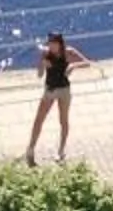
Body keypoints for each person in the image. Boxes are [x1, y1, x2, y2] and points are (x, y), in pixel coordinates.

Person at [25, 31, 92, 162]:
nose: (51, 46)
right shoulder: (45, 54)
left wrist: (73, 66)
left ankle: (61, 151)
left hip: (64, 90)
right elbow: (39, 75)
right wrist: (41, 64)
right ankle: (31, 149)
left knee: (63, 120)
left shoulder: (68, 52)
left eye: (54, 43)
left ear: (59, 43)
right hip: (50, 90)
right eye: (50, 43)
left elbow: (87, 63)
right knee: (39, 119)